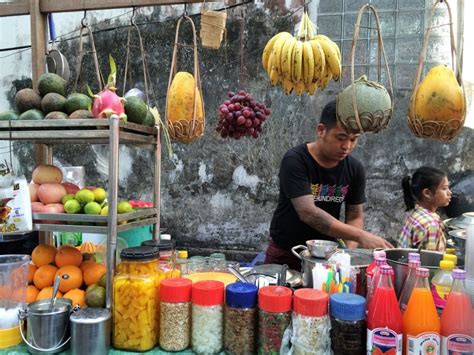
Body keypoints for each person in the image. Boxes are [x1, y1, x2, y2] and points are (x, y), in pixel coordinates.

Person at [265, 100, 393, 270]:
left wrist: (348, 252)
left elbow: (355, 214)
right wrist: (361, 236)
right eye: (340, 138)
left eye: (353, 139)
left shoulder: (354, 168)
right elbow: (308, 213)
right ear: (321, 131)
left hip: (328, 256)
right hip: (288, 253)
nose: (347, 146)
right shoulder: (296, 160)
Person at [398, 166, 451, 252]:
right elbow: (428, 262)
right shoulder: (431, 225)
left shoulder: (413, 212)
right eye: (444, 188)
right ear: (427, 193)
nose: (449, 193)